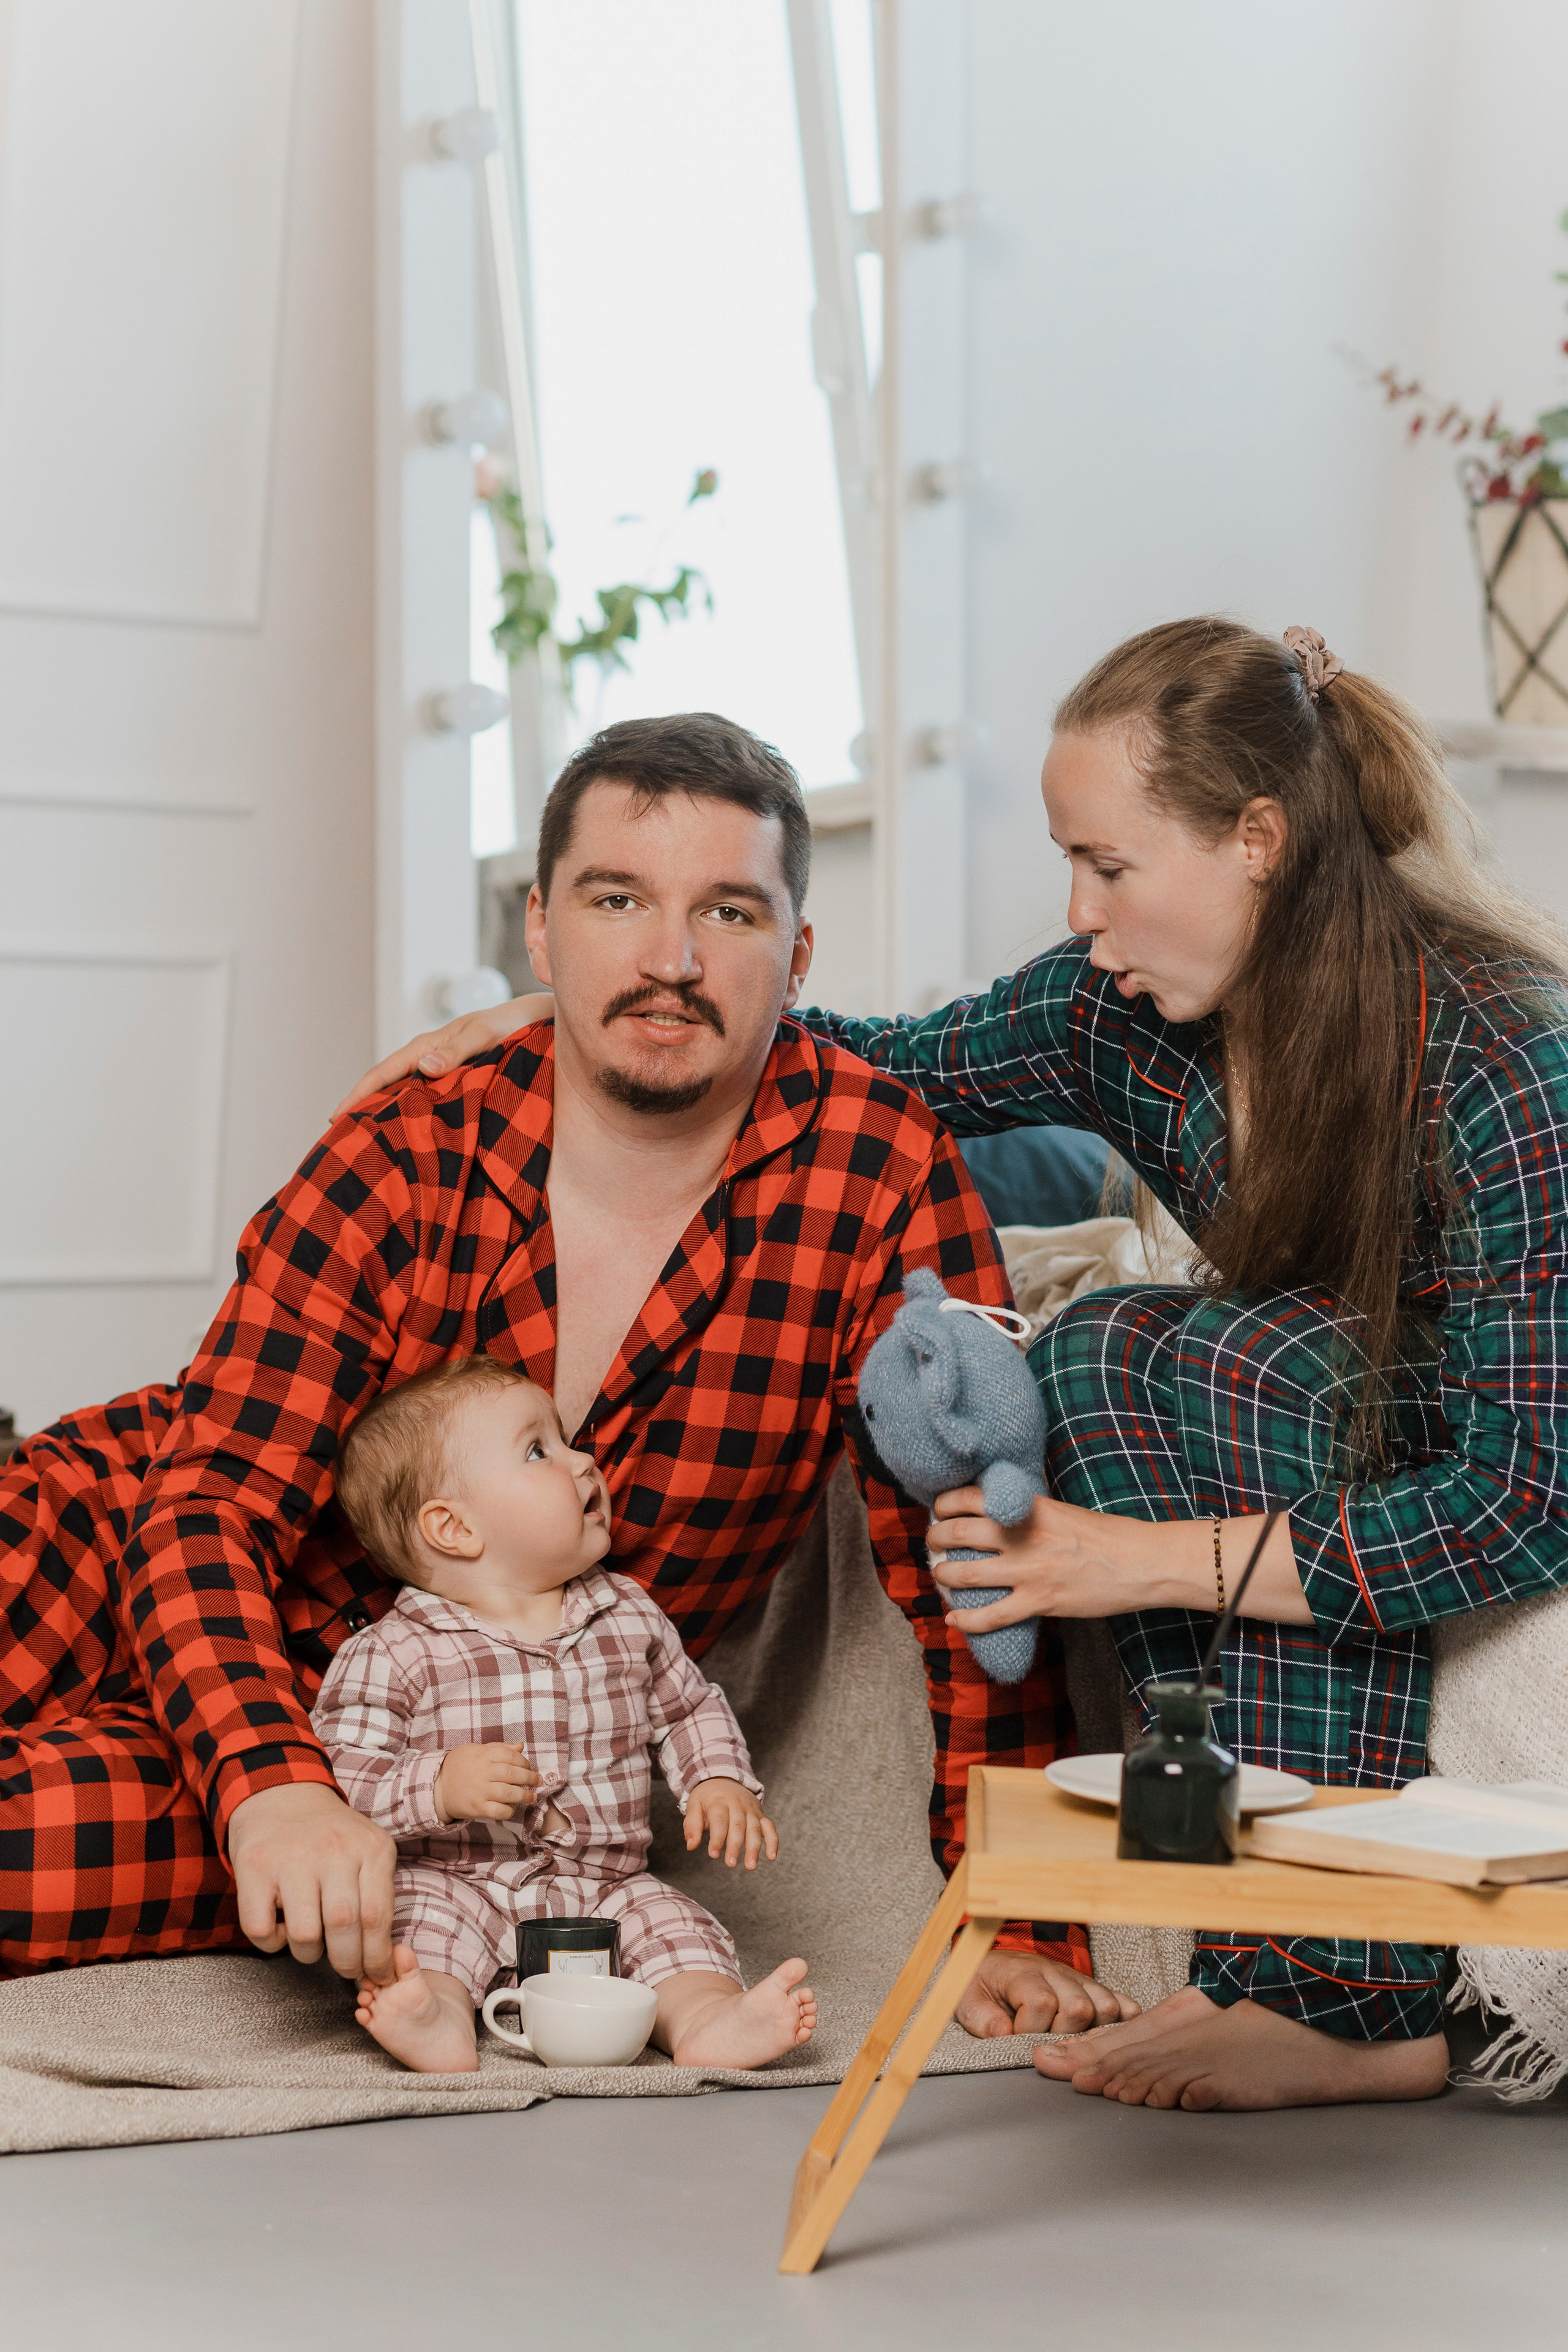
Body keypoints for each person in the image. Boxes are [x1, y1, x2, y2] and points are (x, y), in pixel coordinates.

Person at [379, 620, 1568, 2111]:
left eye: (1109, 865)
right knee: (1096, 1350)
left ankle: (1338, 1996)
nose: (1077, 909)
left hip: (1484, 1448)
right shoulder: (1115, 1014)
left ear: (1256, 841)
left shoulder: (1498, 1062)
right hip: (1313, 1415)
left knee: (1211, 1358)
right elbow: (867, 1057)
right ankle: (1266, 1953)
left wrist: (1136, 1561)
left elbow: (1516, 1498)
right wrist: (573, 1012)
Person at [0, 710, 1128, 2046]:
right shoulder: (411, 1141)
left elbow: (970, 1565)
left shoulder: (879, 1178)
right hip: (139, 1530)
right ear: (541, 930)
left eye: (727, 912)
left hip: (411, 1760)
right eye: (617, 900)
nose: (669, 959)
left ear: (797, 952)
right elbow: (207, 1506)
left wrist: (1021, 1915)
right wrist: (268, 1791)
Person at [316, 1354, 815, 2075]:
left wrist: (716, 1780)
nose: (583, 1463)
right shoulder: (393, 1652)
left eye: (566, 1441)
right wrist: (440, 1785)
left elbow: (688, 1706)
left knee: (673, 1929)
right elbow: (344, 1779)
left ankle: (708, 2019)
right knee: (418, 1929)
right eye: (537, 1450)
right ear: (453, 1528)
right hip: (461, 1880)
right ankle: (438, 2020)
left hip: (605, 1884)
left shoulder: (626, 1613)